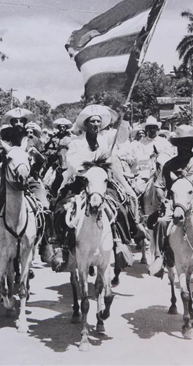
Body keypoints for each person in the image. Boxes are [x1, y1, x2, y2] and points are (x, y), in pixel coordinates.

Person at [50, 104, 135, 272]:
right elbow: (73, 163)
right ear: (86, 124)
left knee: (121, 206)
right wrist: (88, 169)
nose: (96, 124)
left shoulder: (105, 141)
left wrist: (121, 114)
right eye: (92, 122)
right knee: (59, 206)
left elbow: (119, 134)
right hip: (81, 181)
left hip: (102, 182)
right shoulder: (76, 143)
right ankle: (61, 245)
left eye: (98, 122)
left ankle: (121, 243)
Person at [151, 125, 193, 277]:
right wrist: (164, 200)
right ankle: (159, 257)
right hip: (176, 201)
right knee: (161, 222)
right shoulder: (169, 164)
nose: (184, 147)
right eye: (181, 144)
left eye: (187, 143)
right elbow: (159, 186)